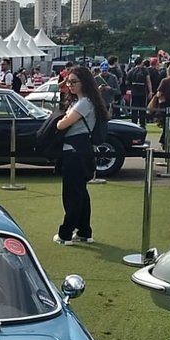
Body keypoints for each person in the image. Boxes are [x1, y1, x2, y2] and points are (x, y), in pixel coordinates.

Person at [52, 65, 107, 246]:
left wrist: (60, 120)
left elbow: (62, 125)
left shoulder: (84, 103)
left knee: (72, 195)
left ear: (84, 82)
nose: (70, 85)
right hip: (80, 151)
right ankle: (84, 231)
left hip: (74, 152)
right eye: (68, 81)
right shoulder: (86, 101)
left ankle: (65, 234)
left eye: (74, 81)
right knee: (81, 194)